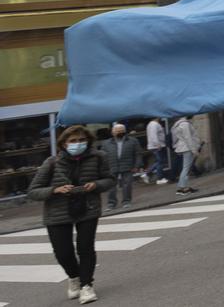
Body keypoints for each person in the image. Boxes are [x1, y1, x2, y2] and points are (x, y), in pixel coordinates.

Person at [27, 125, 113, 304]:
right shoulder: (52, 162)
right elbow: (33, 191)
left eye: (82, 140)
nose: (78, 144)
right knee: (63, 252)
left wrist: (96, 185)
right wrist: (55, 189)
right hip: (57, 212)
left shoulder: (98, 157)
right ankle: (74, 277)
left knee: (86, 248)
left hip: (87, 208)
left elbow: (110, 179)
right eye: (73, 141)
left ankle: (86, 286)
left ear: (88, 141)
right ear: (64, 144)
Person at [99, 123, 140, 210]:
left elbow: (138, 154)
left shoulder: (133, 141)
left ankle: (126, 201)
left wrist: (137, 165)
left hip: (128, 166)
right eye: (117, 131)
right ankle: (111, 204)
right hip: (111, 167)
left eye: (122, 130)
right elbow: (102, 156)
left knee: (127, 185)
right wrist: (103, 168)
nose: (120, 132)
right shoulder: (106, 143)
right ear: (113, 132)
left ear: (125, 131)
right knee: (111, 186)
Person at [172, 115, 201, 195]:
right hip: (187, 148)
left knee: (186, 168)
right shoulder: (185, 124)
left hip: (184, 147)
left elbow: (176, 138)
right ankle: (183, 188)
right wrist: (194, 150)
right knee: (186, 168)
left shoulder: (178, 124)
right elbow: (188, 138)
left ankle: (182, 187)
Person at [142, 117, 169, 185]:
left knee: (159, 161)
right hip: (157, 146)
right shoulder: (154, 124)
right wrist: (157, 144)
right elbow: (153, 135)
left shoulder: (151, 124)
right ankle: (159, 178)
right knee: (160, 162)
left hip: (155, 145)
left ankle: (147, 174)